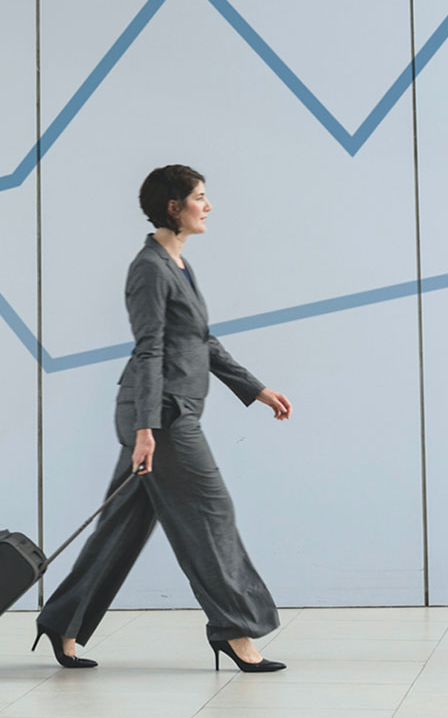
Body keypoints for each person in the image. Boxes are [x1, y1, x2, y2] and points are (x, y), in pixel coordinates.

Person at [32, 164, 293, 673]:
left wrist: (256, 389)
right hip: (163, 417)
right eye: (200, 197)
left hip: (166, 412)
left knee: (122, 527)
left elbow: (200, 341)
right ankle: (235, 631)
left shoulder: (177, 264)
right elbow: (150, 350)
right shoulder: (150, 268)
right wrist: (146, 430)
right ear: (174, 207)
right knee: (210, 513)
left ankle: (63, 623)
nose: (208, 205)